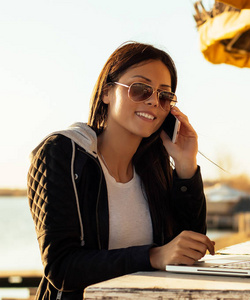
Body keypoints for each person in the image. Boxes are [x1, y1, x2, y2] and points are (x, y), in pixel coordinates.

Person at [27, 41, 215, 300]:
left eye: (163, 95)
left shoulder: (153, 167)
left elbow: (189, 248)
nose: (153, 102)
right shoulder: (63, 152)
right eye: (140, 89)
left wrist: (185, 165)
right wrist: (152, 256)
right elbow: (61, 267)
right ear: (107, 93)